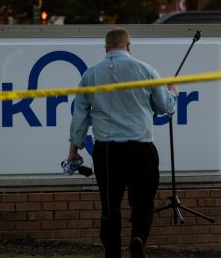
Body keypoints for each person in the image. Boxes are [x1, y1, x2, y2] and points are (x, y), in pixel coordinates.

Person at [67, 28, 179, 258]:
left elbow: (79, 118)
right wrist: (173, 94)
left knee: (110, 206)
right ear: (129, 46)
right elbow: (163, 107)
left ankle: (112, 251)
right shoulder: (147, 70)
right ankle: (138, 239)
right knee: (143, 201)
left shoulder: (90, 75)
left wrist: (73, 151)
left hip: (107, 150)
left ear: (105, 48)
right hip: (141, 148)